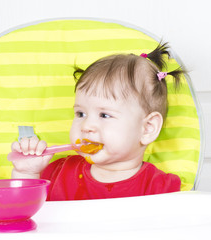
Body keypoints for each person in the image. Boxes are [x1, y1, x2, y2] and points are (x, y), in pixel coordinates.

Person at [10, 42, 182, 201]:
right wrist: (26, 173)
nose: (86, 126)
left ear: (147, 128)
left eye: (104, 115)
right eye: (80, 114)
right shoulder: (56, 173)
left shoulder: (162, 189)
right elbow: (20, 214)